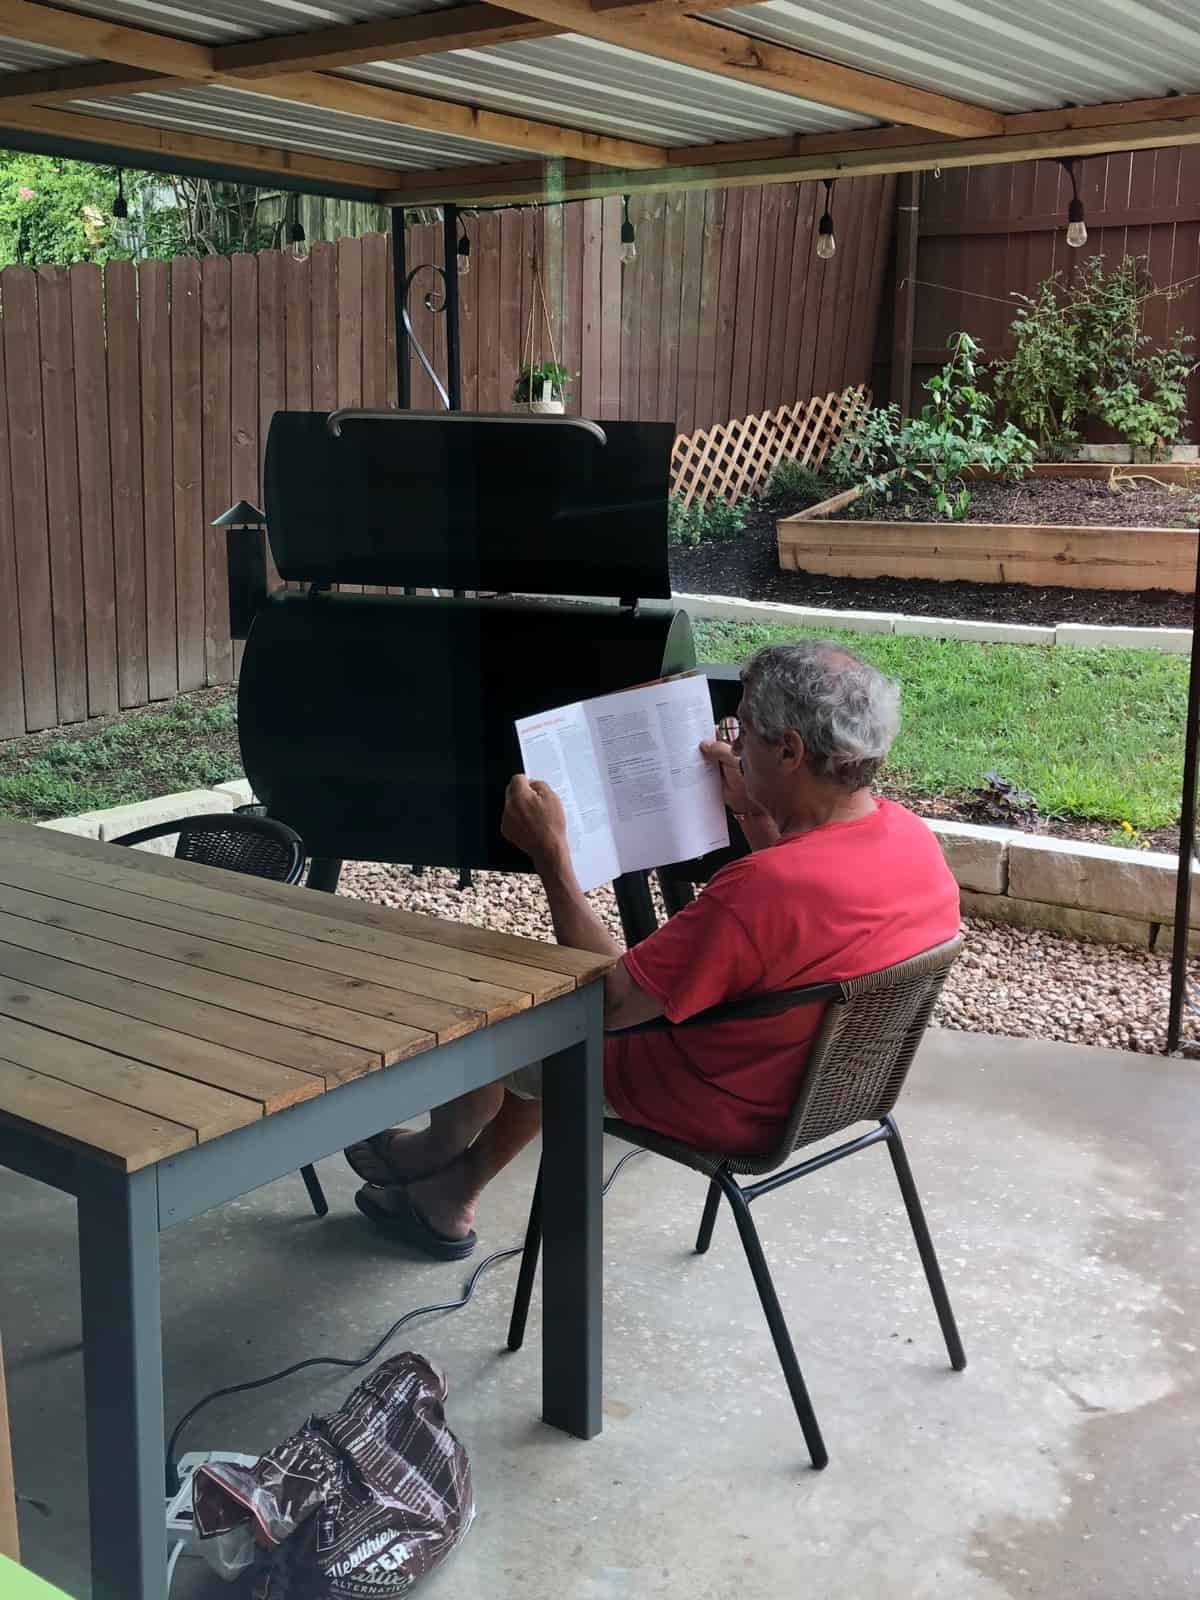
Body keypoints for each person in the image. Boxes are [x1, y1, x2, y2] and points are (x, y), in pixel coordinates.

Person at [347, 640, 960, 1259]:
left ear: (790, 751)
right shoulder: (910, 841)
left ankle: (436, 1155)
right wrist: (753, 811)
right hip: (822, 1090)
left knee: (513, 1009)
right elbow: (810, 905)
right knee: (550, 1036)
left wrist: (551, 855)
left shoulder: (760, 891)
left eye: (742, 730)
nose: (735, 744)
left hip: (720, 1096)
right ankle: (450, 1185)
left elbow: (609, 1001)